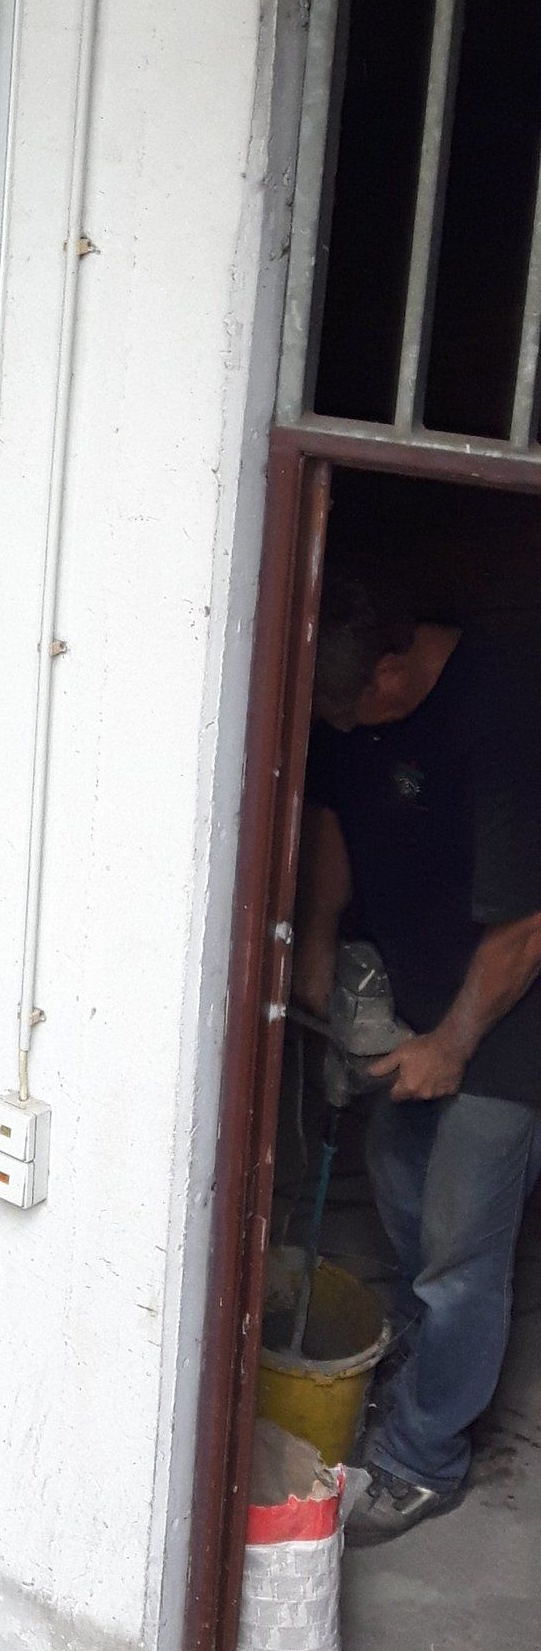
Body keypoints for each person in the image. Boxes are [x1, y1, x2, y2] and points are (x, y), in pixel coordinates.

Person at [296, 566, 541, 1546]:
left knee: (462, 1242)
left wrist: (453, 1043)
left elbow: (527, 925)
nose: (340, 728)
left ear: (392, 673)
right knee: (398, 1175)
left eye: (348, 711)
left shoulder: (503, 708)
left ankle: (424, 1458)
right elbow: (333, 811)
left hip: (513, 1016)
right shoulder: (351, 698)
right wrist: (318, 938)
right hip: (423, 996)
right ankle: (418, 1357)